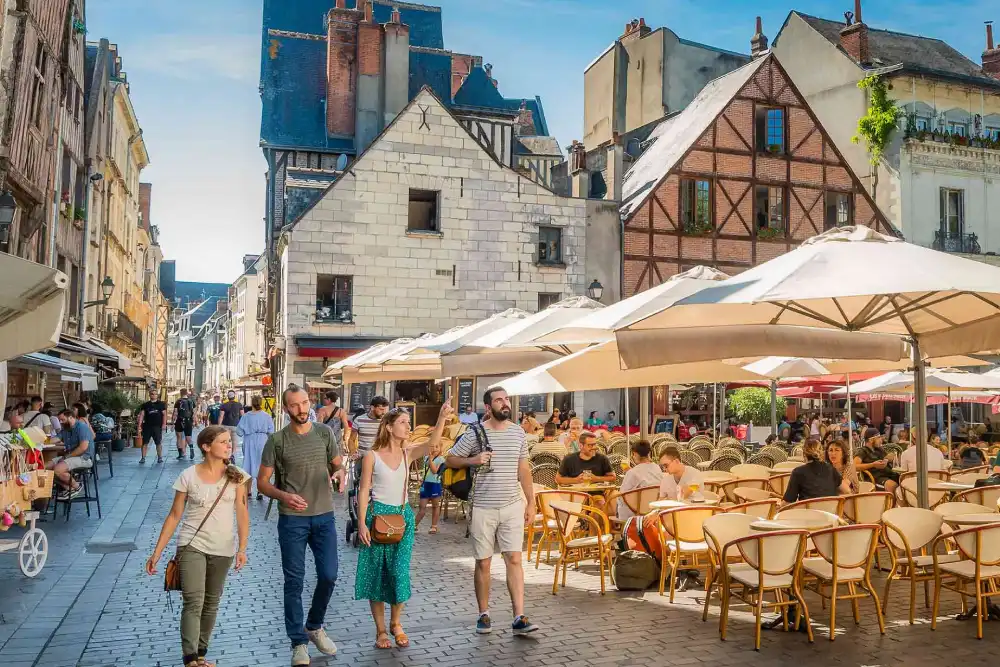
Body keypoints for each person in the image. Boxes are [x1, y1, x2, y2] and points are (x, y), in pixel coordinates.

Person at [145, 426, 249, 667]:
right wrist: (157, 552)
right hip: (192, 545)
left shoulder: (237, 476)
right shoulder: (188, 476)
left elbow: (243, 514)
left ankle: (201, 654)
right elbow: (174, 515)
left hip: (223, 548)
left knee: (211, 603)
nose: (229, 445)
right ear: (206, 446)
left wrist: (242, 548)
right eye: (223, 441)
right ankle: (190, 658)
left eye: (229, 441)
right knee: (194, 601)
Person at [257, 385, 345, 666]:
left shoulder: (324, 433)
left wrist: (340, 474)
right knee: (294, 582)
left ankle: (314, 626)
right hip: (292, 520)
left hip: (324, 516)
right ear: (286, 409)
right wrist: (283, 496)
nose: (301, 409)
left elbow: (337, 465)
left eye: (305, 403)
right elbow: (261, 483)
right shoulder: (277, 441)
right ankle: (298, 643)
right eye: (294, 405)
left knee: (329, 575)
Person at [355, 403, 452, 649]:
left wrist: (441, 418)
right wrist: (361, 523)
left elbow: (432, 444)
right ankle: (380, 631)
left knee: (399, 572)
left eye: (409, 423)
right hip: (377, 518)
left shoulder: (407, 453)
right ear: (389, 427)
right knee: (376, 576)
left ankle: (396, 623)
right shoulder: (372, 456)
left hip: (402, 517)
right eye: (403, 422)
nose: (408, 426)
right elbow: (364, 490)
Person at [445, 387, 537, 637]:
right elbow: (450, 459)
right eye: (499, 400)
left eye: (507, 399)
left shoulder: (518, 432)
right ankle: (483, 614)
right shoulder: (475, 432)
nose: (505, 403)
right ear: (488, 407)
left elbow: (524, 470)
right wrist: (472, 460)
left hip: (512, 505)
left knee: (514, 559)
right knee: (483, 562)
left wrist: (531, 502)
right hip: (483, 506)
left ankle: (519, 617)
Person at [555, 431, 615, 509]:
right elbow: (558, 479)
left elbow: (613, 477)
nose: (594, 447)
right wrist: (576, 480)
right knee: (571, 508)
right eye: (590, 445)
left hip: (595, 495)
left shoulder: (602, 459)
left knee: (599, 505)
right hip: (574, 495)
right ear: (581, 446)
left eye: (595, 444)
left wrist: (596, 479)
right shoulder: (569, 459)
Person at [47, 409, 95, 499]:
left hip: (84, 457)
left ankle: (77, 486)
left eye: (62, 420)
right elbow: (56, 439)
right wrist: (40, 441)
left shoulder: (82, 427)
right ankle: (69, 488)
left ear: (70, 417)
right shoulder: (66, 428)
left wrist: (66, 457)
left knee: (57, 470)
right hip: (70, 456)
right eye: (60, 420)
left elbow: (83, 447)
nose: (60, 422)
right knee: (45, 468)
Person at [785, 437, 850, 502]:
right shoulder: (831, 469)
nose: (833, 453)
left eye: (837, 450)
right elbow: (847, 490)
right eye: (830, 450)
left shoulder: (798, 472)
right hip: (831, 508)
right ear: (821, 452)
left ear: (804, 454)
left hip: (809, 508)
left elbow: (788, 501)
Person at [237, 396, 274, 500]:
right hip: (262, 440)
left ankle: (248, 491)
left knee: (248, 463)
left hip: (249, 440)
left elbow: (239, 432)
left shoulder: (246, 416)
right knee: (260, 465)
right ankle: (260, 491)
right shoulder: (266, 416)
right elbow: (271, 431)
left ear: (252, 403)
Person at [616, 440, 662, 520]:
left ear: (635, 454)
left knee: (615, 498)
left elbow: (622, 496)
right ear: (649, 453)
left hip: (634, 514)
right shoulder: (657, 468)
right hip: (653, 511)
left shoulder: (633, 472)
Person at [414, 440, 447, 534]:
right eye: (432, 447)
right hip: (425, 485)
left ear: (440, 448)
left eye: (437, 447)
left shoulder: (441, 459)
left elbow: (434, 471)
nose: (434, 449)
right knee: (422, 507)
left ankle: (434, 526)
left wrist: (431, 460)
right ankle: (414, 525)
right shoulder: (426, 458)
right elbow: (425, 470)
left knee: (435, 506)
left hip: (435, 485)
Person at [351, 396, 389, 475]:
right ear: (372, 407)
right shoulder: (359, 420)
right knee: (360, 481)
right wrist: (353, 453)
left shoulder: (385, 421)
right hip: (362, 459)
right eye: (381, 409)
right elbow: (351, 439)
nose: (384, 412)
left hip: (380, 460)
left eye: (385, 410)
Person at [854, 428, 899, 494]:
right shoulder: (862, 451)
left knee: (905, 480)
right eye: (878, 438)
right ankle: (891, 501)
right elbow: (855, 466)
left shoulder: (879, 449)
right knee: (893, 486)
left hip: (889, 474)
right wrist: (873, 465)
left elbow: (891, 456)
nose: (881, 440)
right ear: (871, 440)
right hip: (875, 478)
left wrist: (886, 459)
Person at [137, 393, 168, 464]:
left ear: (157, 395)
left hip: (157, 426)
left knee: (158, 442)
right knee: (145, 443)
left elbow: (164, 414)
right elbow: (142, 415)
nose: (153, 395)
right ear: (149, 395)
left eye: (155, 394)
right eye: (152, 394)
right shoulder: (145, 405)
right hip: (147, 426)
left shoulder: (161, 404)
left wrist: (164, 424)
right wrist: (139, 425)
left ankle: (160, 457)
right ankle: (143, 458)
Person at [219, 391, 244, 463]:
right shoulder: (239, 404)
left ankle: (226, 455)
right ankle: (233, 455)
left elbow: (221, 416)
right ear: (234, 396)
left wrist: (219, 426)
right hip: (235, 425)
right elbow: (243, 415)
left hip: (225, 425)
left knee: (226, 441)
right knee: (234, 441)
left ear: (228, 397)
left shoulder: (224, 405)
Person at [173, 389, 196, 461]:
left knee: (179, 437)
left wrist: (173, 422)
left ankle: (180, 454)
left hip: (179, 420)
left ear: (180, 393)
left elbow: (175, 412)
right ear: (187, 393)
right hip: (188, 421)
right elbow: (194, 413)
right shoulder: (191, 401)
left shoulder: (178, 401)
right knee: (188, 437)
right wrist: (194, 422)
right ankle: (191, 448)